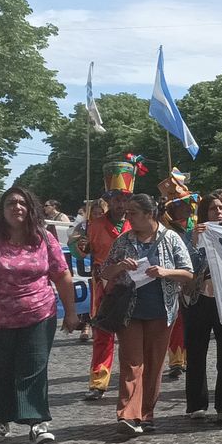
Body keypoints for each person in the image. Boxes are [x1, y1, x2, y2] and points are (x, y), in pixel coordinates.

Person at [0, 186, 77, 444]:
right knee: (0, 369)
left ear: (31, 209)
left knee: (34, 366)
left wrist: (72, 313)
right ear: (2, 209)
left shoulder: (44, 238)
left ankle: (37, 422)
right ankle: (1, 419)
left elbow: (62, 276)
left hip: (39, 314)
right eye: (11, 203)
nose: (17, 207)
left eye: (22, 203)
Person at [101, 194, 194, 435]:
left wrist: (164, 272)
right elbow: (105, 271)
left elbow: (188, 273)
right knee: (132, 361)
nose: (127, 216)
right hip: (130, 311)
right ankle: (128, 415)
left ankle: (146, 413)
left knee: (154, 363)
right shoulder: (123, 241)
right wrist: (120, 266)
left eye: (133, 212)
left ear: (149, 214)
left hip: (161, 311)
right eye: (127, 212)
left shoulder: (171, 238)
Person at [78, 160, 134, 400]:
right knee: (102, 332)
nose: (120, 204)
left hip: (133, 284)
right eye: (116, 199)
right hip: (103, 283)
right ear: (107, 201)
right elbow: (79, 248)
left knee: (131, 334)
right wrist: (82, 246)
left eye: (124, 199)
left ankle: (132, 379)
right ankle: (98, 382)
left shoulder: (137, 221)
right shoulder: (94, 224)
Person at [183, 194, 222, 423]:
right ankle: (197, 404)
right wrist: (197, 243)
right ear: (203, 213)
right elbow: (188, 267)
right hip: (199, 299)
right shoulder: (192, 236)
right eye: (212, 208)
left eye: (221, 208)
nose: (218, 212)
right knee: (196, 353)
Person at [159, 168, 200, 380]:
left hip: (196, 278)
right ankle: (176, 360)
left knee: (192, 321)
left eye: (186, 204)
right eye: (179, 205)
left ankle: (189, 356)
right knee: (175, 319)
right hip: (175, 277)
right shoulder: (165, 228)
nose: (184, 208)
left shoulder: (197, 225)